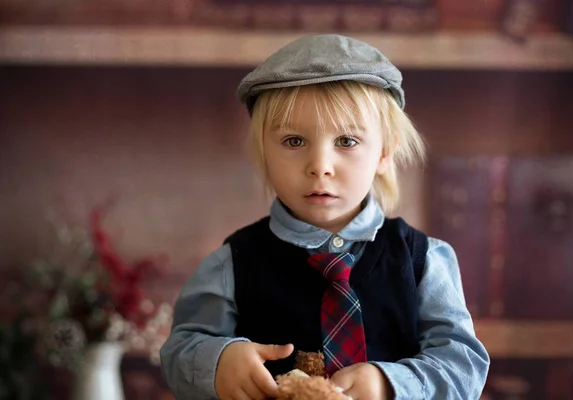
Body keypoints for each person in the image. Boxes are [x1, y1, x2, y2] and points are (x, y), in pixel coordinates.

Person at [160, 34, 490, 400]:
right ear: (264, 152)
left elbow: (463, 366)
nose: (320, 167)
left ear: (384, 152)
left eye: (346, 142)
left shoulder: (424, 261)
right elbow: (180, 351)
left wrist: (391, 384)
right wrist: (218, 363)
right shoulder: (231, 264)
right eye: (294, 142)